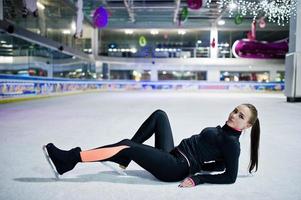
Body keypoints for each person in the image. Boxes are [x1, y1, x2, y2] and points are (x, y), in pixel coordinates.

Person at [43, 103, 260, 188]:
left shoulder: (232, 144)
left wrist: (198, 176)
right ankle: (125, 156)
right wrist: (205, 165)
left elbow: (229, 176)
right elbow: (218, 164)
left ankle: (69, 160)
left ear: (247, 125)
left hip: (176, 167)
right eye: (235, 110)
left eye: (241, 116)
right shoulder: (223, 131)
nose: (234, 115)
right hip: (173, 154)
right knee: (160, 115)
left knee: (126, 145)